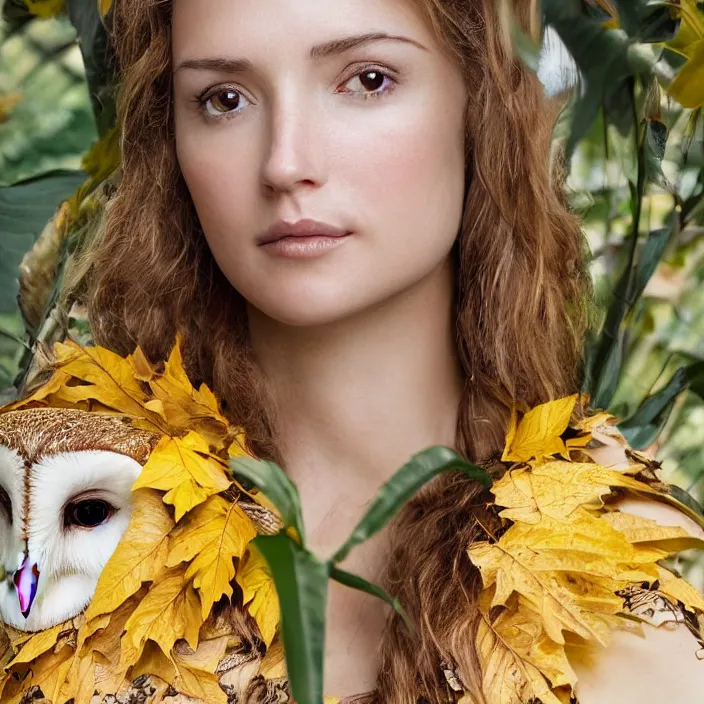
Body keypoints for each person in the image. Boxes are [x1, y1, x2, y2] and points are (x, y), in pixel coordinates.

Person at [82, 0, 704, 701]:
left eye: (368, 79)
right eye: (224, 99)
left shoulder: (622, 554)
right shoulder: (61, 501)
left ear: (483, 100)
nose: (286, 163)